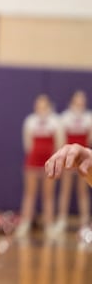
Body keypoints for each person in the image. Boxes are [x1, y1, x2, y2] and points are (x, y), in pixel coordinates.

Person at [16, 93, 63, 238]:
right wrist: (34, 155)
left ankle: (49, 225)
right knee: (29, 194)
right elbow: (27, 143)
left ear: (48, 107)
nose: (41, 109)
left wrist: (54, 161)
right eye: (38, 106)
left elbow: (60, 142)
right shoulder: (30, 121)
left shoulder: (56, 121)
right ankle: (25, 223)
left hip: (49, 162)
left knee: (48, 195)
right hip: (32, 162)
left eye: (44, 106)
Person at [53, 90, 91, 236]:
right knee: (65, 190)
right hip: (69, 157)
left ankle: (84, 222)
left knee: (83, 190)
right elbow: (60, 138)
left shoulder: (89, 117)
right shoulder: (65, 118)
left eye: (82, 101)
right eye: (78, 101)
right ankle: (62, 220)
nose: (80, 104)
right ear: (72, 101)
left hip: (82, 158)